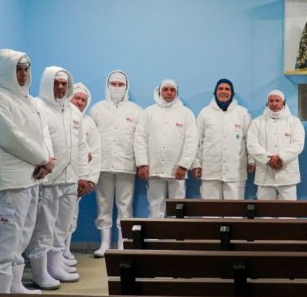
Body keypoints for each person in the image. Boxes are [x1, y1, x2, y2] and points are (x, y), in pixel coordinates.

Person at [0, 49, 53, 294]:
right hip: (12, 181)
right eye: (17, 69)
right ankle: (0, 293)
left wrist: (47, 160)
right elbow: (10, 137)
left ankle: (15, 284)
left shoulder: (28, 100)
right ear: (4, 71)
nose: (23, 74)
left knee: (24, 234)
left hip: (32, 177)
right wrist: (43, 159)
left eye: (25, 69)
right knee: (9, 236)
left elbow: (42, 134)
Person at [29, 66, 93, 289]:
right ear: (47, 83)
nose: (60, 87)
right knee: (44, 227)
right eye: (56, 83)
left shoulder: (73, 111)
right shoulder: (37, 106)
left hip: (70, 179)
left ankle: (55, 266)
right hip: (48, 180)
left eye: (64, 84)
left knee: (63, 225)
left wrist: (82, 175)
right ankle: (40, 273)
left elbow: (81, 146)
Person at [89, 70, 142, 257]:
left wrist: (141, 163)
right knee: (103, 204)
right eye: (114, 84)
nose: (117, 88)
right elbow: (89, 137)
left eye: (121, 84)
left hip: (126, 165)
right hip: (102, 165)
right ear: (107, 85)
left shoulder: (136, 111)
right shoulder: (97, 109)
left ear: (127, 87)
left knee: (125, 205)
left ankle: (122, 243)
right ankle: (104, 243)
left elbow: (140, 139)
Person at [134, 79, 198, 218]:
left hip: (178, 171)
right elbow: (140, 139)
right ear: (159, 91)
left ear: (176, 93)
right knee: (155, 207)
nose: (169, 93)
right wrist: (142, 164)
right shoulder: (149, 112)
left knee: (178, 207)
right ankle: (156, 232)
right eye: (165, 89)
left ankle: (177, 233)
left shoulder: (186, 113)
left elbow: (192, 141)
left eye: (172, 90)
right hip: (154, 168)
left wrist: (184, 165)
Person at [193, 78, 253, 199]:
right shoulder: (205, 113)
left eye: (227, 89)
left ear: (232, 93)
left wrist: (251, 160)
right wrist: (196, 163)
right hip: (210, 171)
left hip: (235, 171)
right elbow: (197, 141)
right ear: (215, 92)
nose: (223, 91)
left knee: (234, 209)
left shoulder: (242, 113)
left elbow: (250, 140)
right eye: (220, 89)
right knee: (210, 209)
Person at [66, 82, 102, 263]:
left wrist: (90, 179)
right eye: (76, 98)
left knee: (72, 216)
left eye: (83, 100)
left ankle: (65, 250)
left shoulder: (88, 123)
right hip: (58, 178)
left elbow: (95, 152)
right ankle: (53, 256)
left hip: (79, 179)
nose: (79, 102)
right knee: (54, 218)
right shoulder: (60, 117)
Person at [246, 90, 305, 199]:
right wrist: (268, 160)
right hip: (265, 174)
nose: (274, 103)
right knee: (265, 209)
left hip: (287, 174)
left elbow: (298, 144)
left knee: (289, 209)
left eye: (277, 100)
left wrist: (280, 158)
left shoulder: (294, 122)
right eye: (271, 101)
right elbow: (252, 145)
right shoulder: (257, 122)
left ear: (284, 103)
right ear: (267, 103)